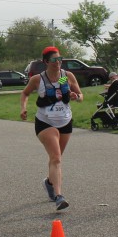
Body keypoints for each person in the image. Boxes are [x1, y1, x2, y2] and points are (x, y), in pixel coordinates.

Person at [20, 46, 83, 211]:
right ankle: (59, 196)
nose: (58, 62)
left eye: (60, 59)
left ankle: (49, 182)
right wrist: (23, 108)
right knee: (56, 158)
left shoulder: (65, 77)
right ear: (46, 62)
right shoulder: (38, 79)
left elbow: (80, 95)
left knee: (57, 158)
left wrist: (76, 96)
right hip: (45, 122)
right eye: (54, 60)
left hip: (65, 121)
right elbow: (25, 93)